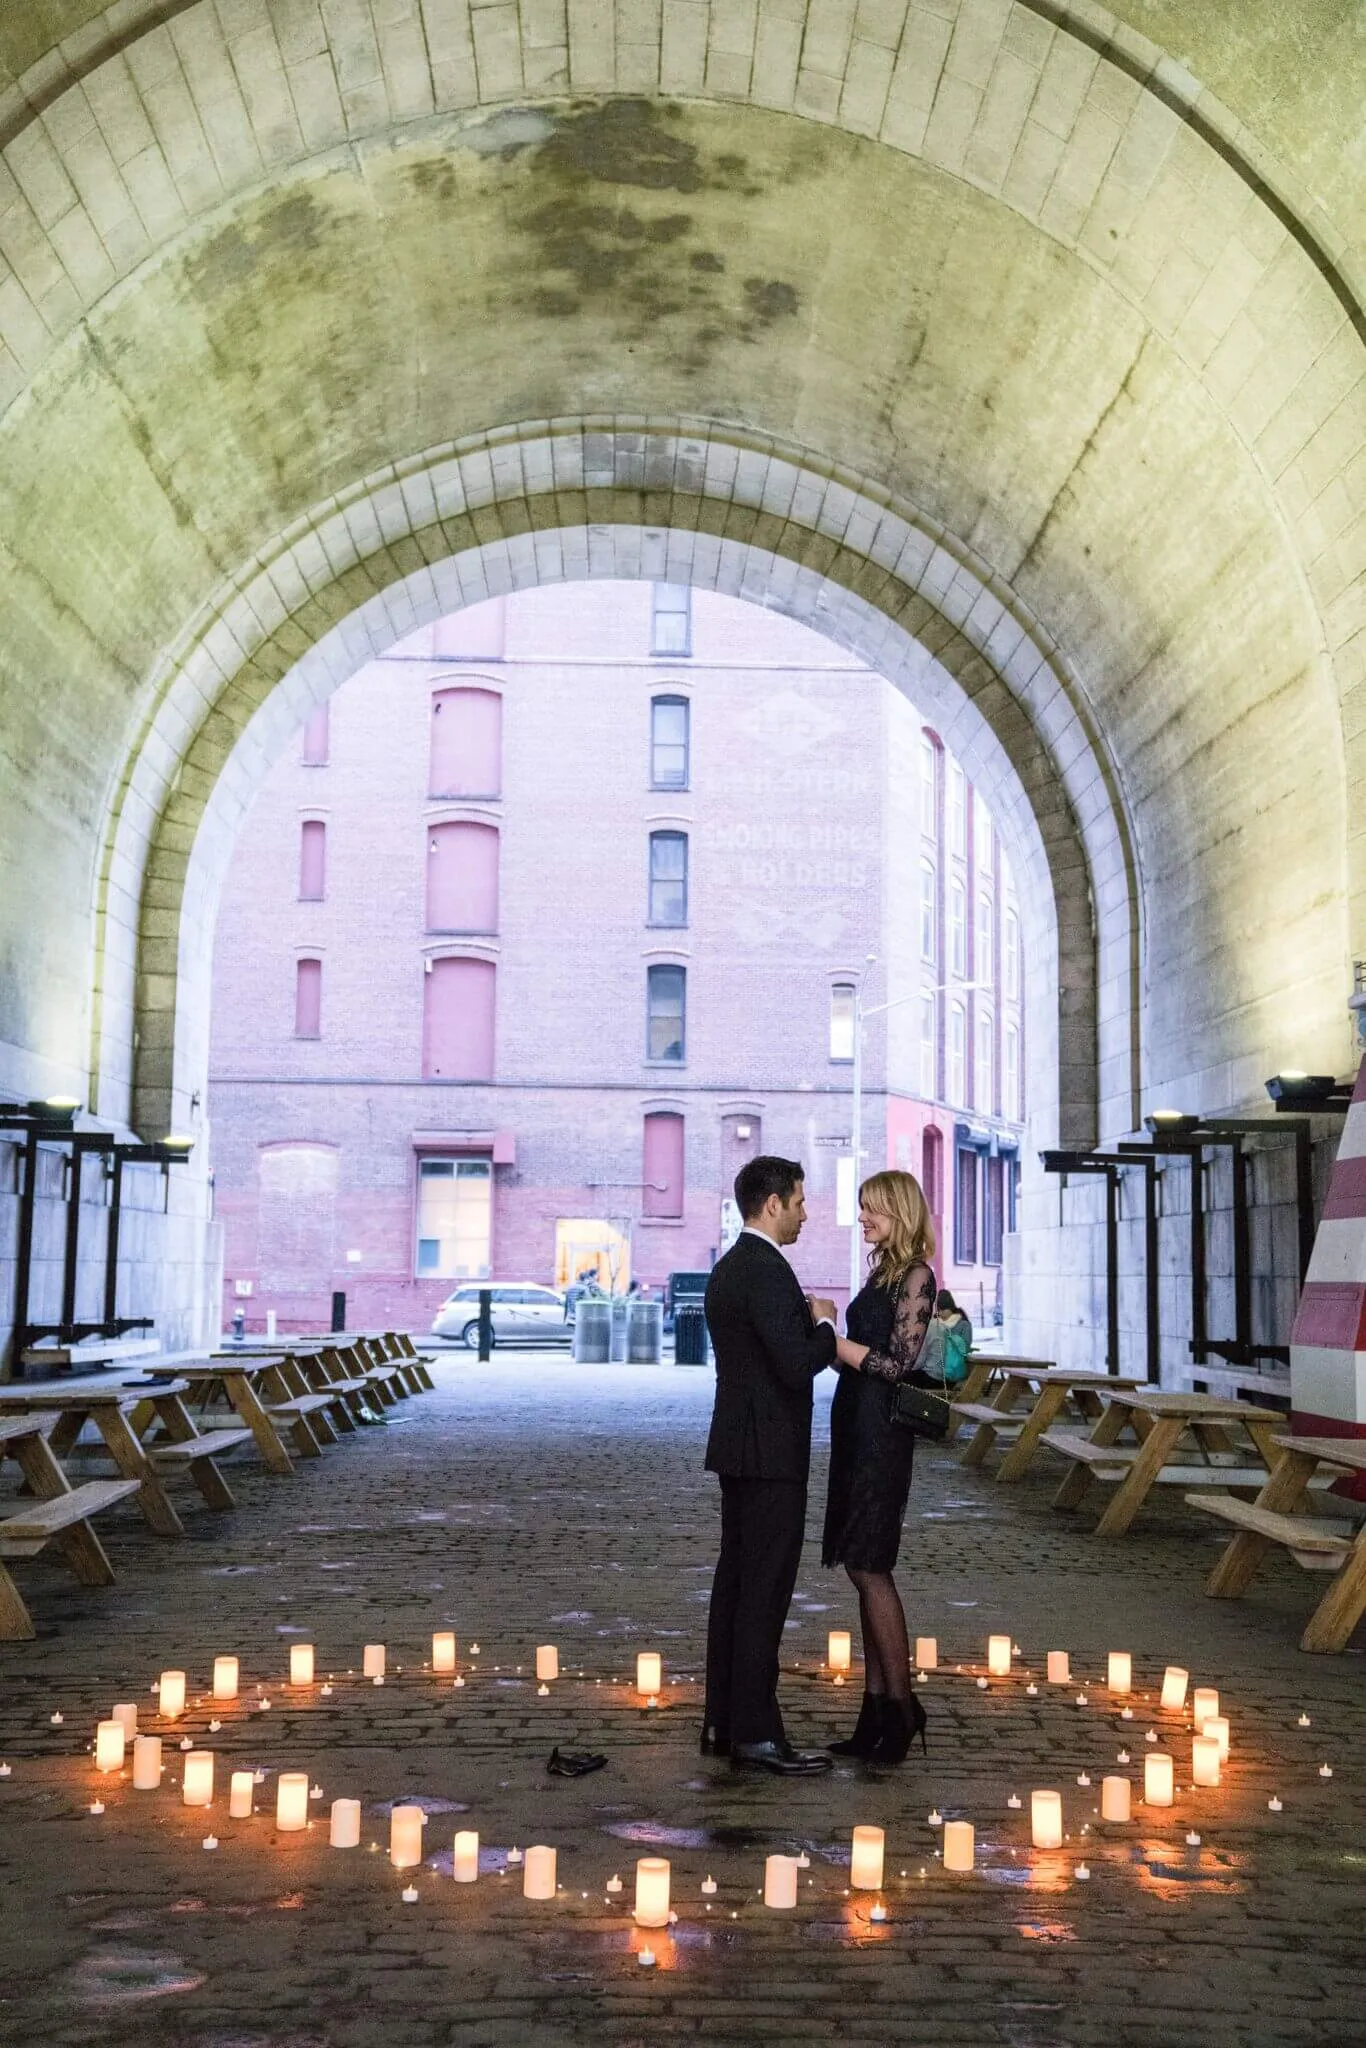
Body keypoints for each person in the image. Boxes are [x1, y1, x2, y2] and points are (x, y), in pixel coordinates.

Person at [702, 1155, 839, 1775]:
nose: (806, 1213)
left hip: (739, 1447)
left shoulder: (732, 1266)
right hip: (770, 1453)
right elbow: (794, 1363)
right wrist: (825, 1327)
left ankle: (723, 1720)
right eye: (801, 1202)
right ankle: (755, 1733)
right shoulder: (765, 1270)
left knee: (735, 1587)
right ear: (772, 1203)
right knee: (763, 1592)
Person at [822, 1169, 937, 1765]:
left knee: (872, 1567)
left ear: (900, 1211)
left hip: (883, 1437)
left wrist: (830, 1337)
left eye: (872, 1210)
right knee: (859, 1568)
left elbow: (899, 1363)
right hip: (856, 1426)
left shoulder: (917, 1275)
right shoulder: (882, 1272)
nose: (862, 1219)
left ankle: (901, 1707)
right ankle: (874, 1710)